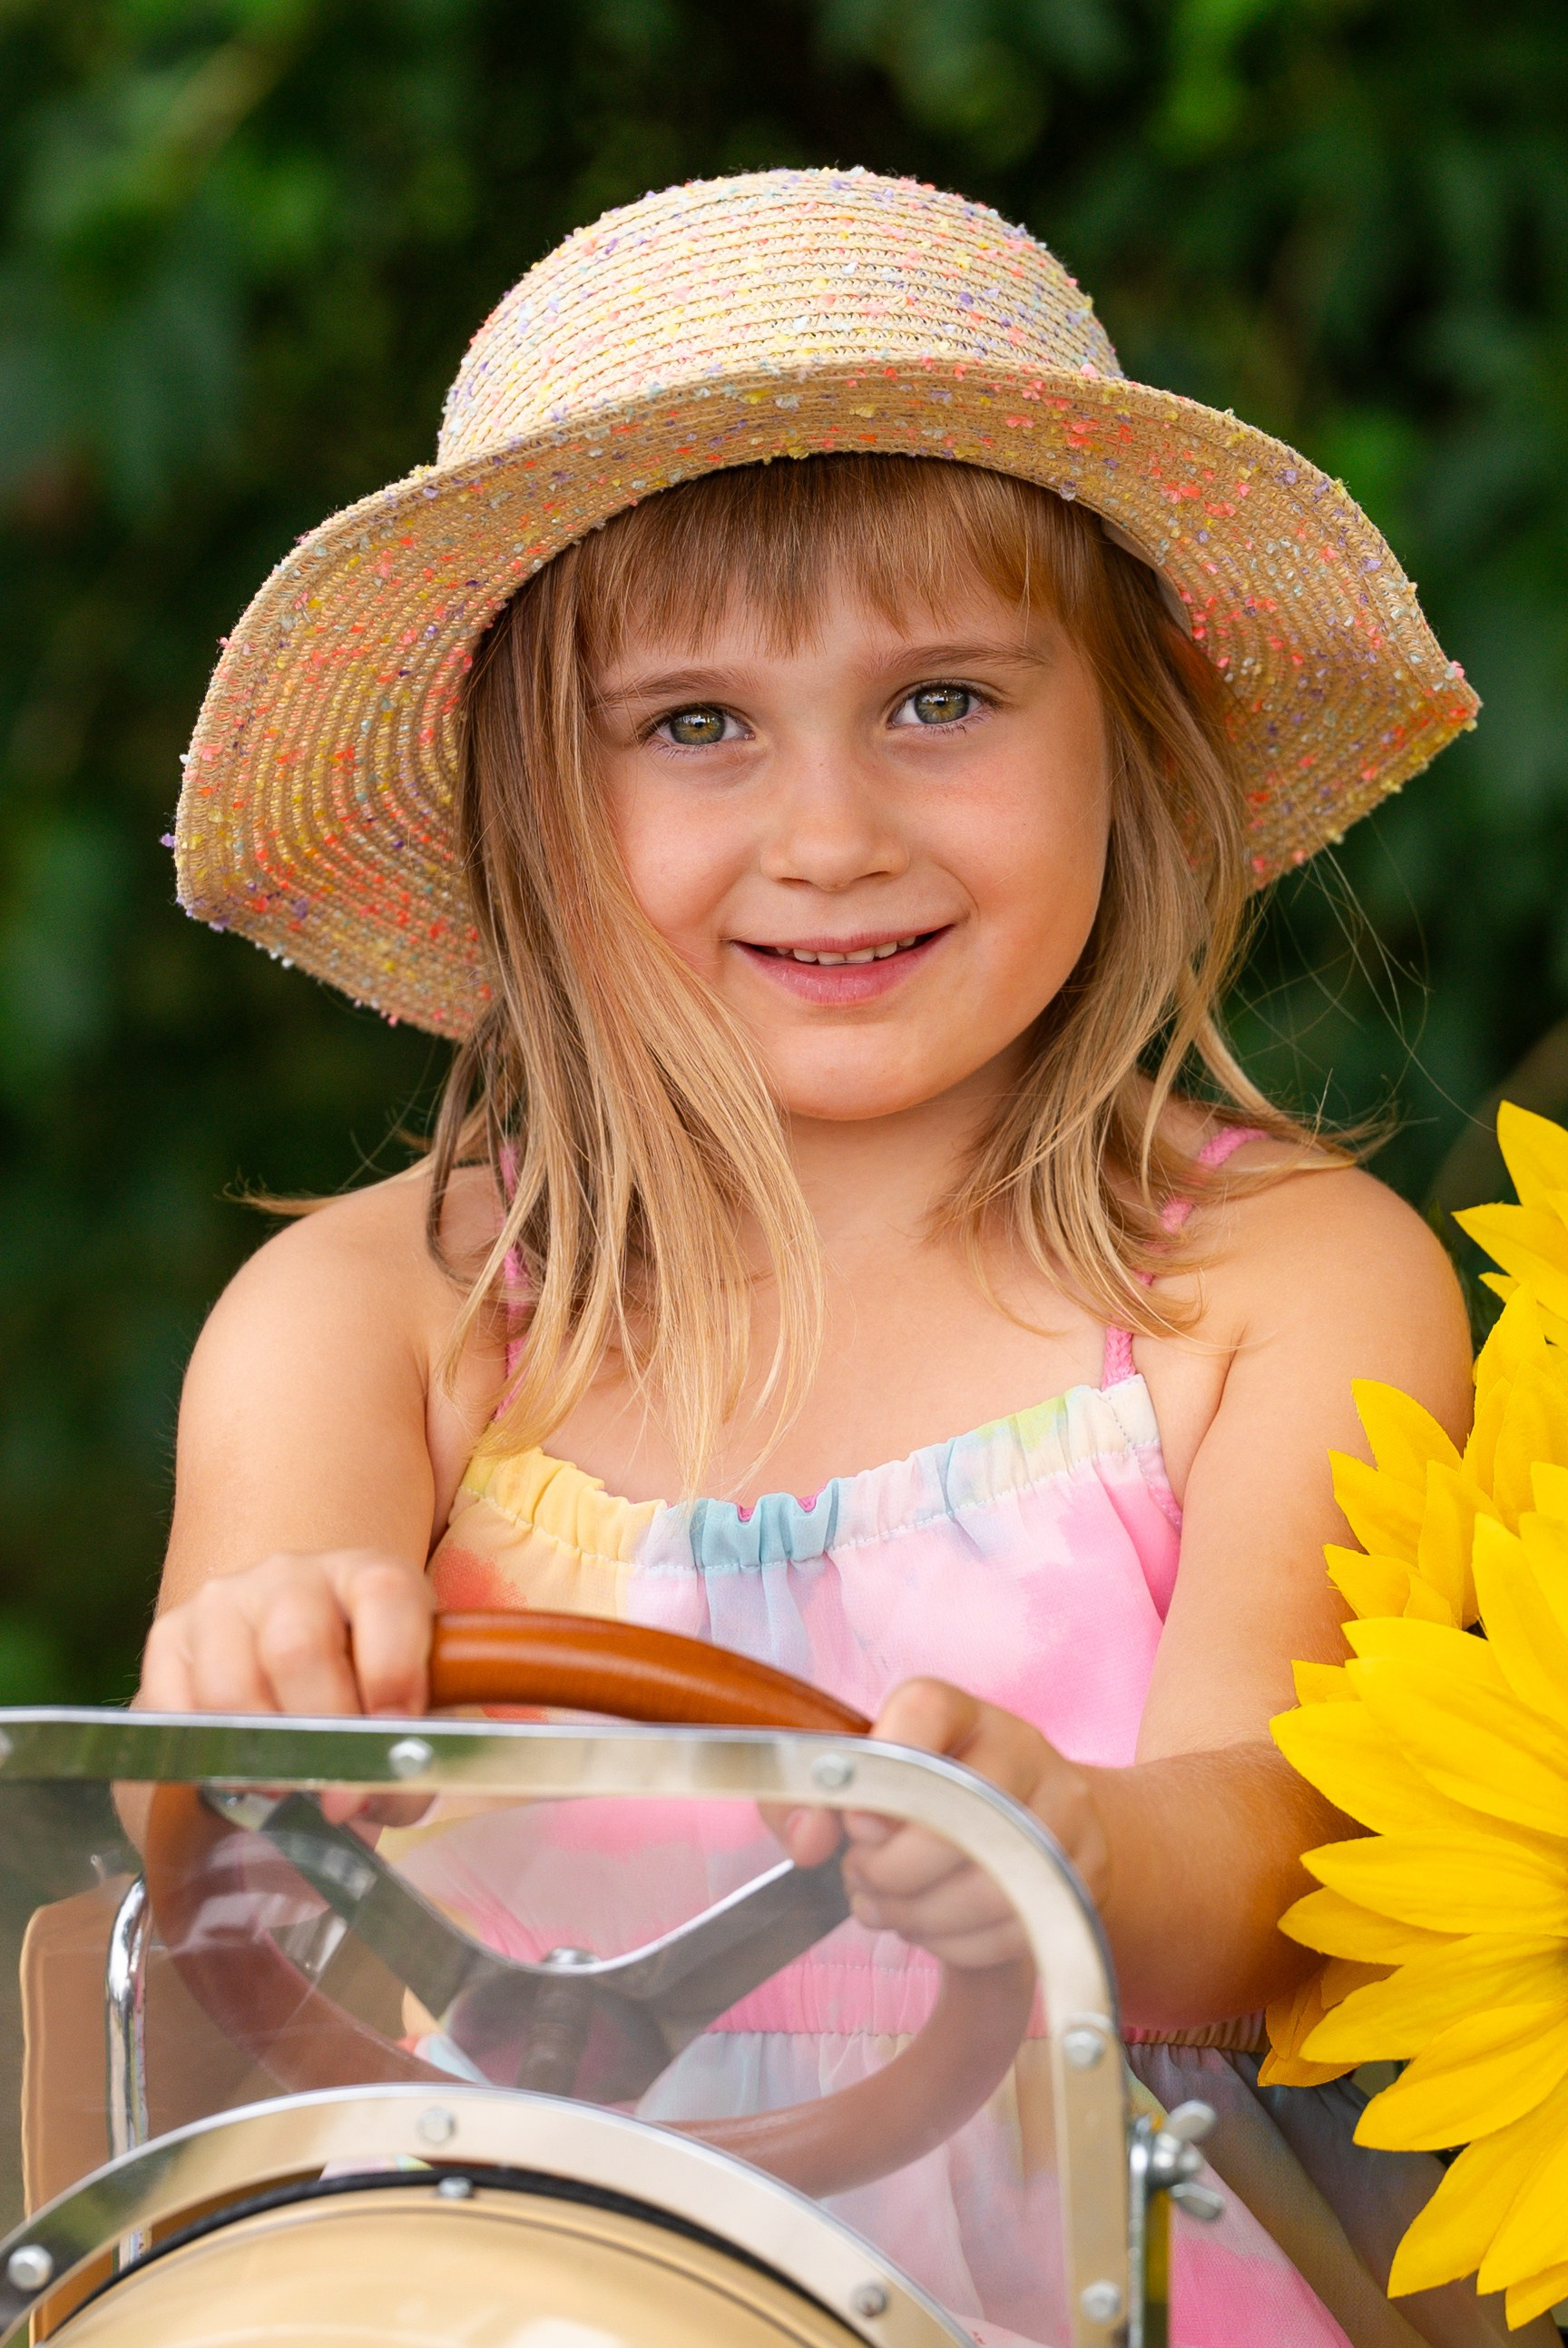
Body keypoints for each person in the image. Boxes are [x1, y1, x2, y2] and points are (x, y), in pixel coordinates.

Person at [142, 172, 1528, 2347]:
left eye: (944, 701)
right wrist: (255, 1684)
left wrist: (1070, 1846)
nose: (832, 833)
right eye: (695, 724)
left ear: (1132, 738)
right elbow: (189, 1846)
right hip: (493, 2269)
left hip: (1090, 2266)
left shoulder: (1278, 1287)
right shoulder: (377, 1319)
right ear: (532, 808)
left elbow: (1284, 1866)